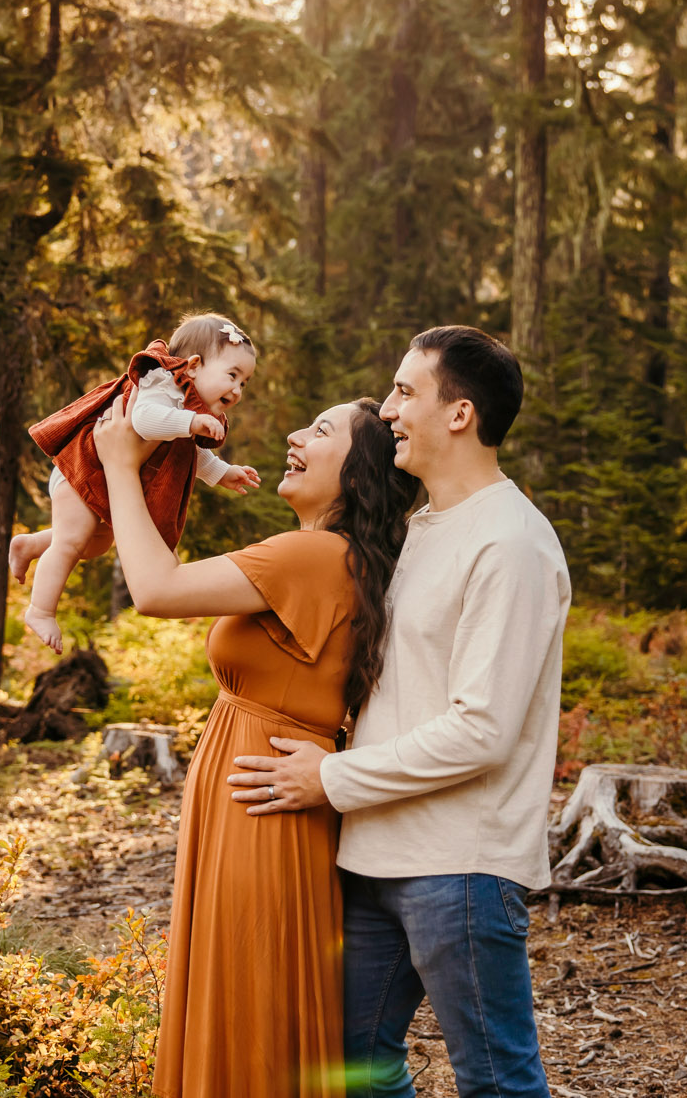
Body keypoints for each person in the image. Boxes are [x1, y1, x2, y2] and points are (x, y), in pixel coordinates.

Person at [226, 325, 570, 1098]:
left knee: (497, 1081)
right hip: (374, 855)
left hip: (460, 867)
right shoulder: (419, 530)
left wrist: (334, 778)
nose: (387, 410)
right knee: (357, 1067)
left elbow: (482, 729)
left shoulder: (511, 542)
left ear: (460, 414)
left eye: (405, 392)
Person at [91, 393, 417, 1098]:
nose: (297, 435)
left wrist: (120, 465)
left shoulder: (310, 553)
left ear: (357, 474)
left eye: (322, 430)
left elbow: (153, 588)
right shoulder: (343, 557)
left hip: (259, 801)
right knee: (253, 995)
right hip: (267, 794)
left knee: (245, 996)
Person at [13, 313, 264, 651]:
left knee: (96, 544)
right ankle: (40, 610)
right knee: (72, 542)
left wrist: (220, 472)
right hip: (84, 467)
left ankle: (29, 545)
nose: (237, 389)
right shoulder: (160, 381)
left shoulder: (191, 407)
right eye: (232, 375)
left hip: (105, 476)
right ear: (192, 366)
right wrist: (191, 422)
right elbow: (146, 422)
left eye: (244, 382)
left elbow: (186, 455)